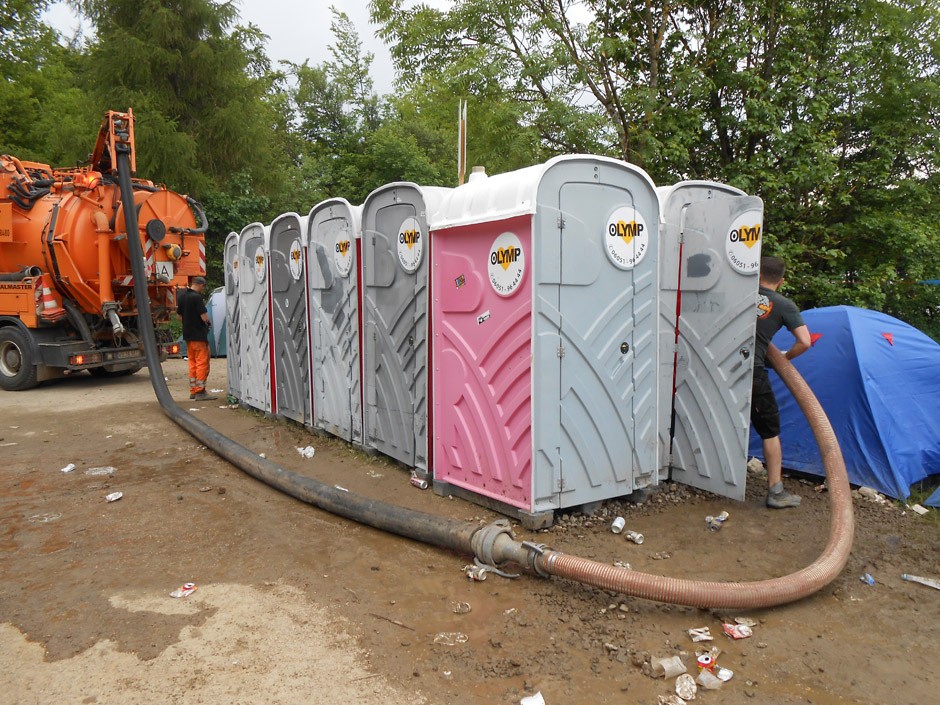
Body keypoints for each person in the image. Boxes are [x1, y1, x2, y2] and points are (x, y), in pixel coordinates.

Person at [752, 256, 811, 508]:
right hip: (752, 371)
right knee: (770, 431)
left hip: (719, 367)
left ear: (757, 273)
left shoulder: (739, 293)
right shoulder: (784, 304)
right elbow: (805, 341)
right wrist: (785, 357)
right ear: (782, 280)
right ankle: (775, 492)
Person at [177, 276, 215, 401]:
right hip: (198, 335)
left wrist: (188, 323)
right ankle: (200, 391)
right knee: (202, 362)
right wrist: (208, 324)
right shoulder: (197, 298)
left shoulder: (182, 297)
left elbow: (179, 317)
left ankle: (193, 390)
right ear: (201, 285)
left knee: (192, 362)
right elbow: (204, 317)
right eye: (203, 288)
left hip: (188, 336)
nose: (202, 290)